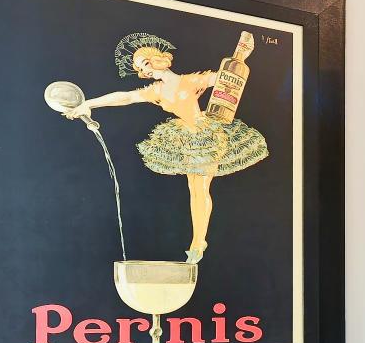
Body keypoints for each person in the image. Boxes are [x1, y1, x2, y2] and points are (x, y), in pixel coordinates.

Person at [61, 32, 267, 263]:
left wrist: (240, 58)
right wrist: (89, 103)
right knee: (194, 187)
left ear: (158, 58)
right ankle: (198, 241)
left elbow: (225, 79)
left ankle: (198, 242)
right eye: (141, 68)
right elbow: (126, 97)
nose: (145, 71)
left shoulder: (188, 81)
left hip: (205, 136)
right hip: (187, 140)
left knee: (199, 187)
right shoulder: (156, 91)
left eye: (146, 63)